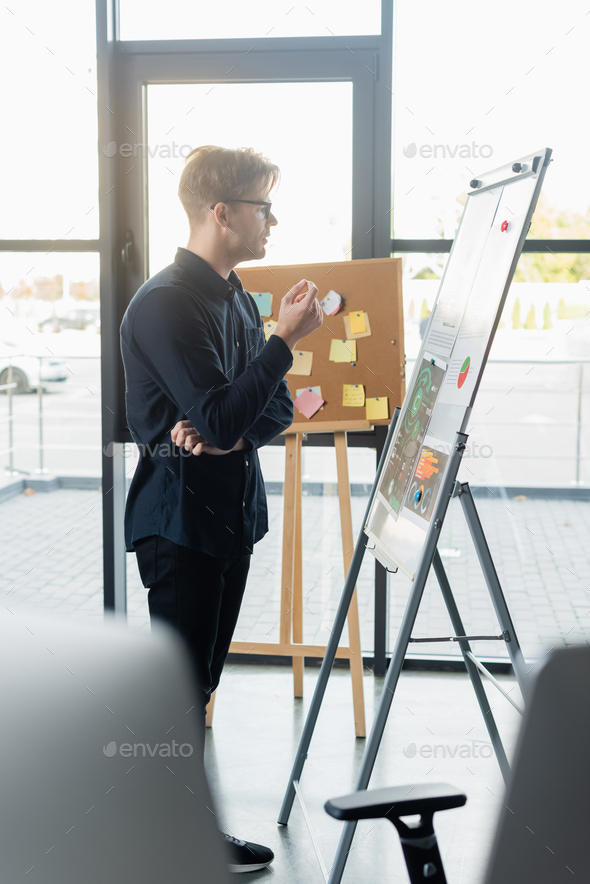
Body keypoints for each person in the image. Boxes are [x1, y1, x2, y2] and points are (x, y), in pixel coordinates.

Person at [120, 145, 322, 873]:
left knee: (199, 687)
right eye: (265, 206)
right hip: (178, 527)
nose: (274, 221)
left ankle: (182, 832)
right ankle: (169, 839)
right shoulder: (168, 303)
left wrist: (226, 427)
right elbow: (228, 412)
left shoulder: (234, 296)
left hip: (230, 520)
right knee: (176, 696)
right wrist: (282, 344)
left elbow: (265, 413)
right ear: (223, 212)